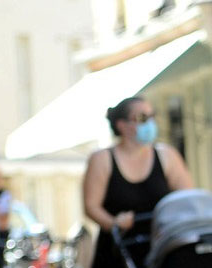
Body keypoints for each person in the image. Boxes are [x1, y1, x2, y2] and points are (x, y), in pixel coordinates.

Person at [83, 97, 194, 268]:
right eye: (142, 118)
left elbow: (188, 198)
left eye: (152, 116)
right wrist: (113, 223)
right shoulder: (102, 159)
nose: (150, 123)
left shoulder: (167, 155)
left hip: (162, 248)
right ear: (122, 125)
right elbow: (91, 206)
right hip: (118, 252)